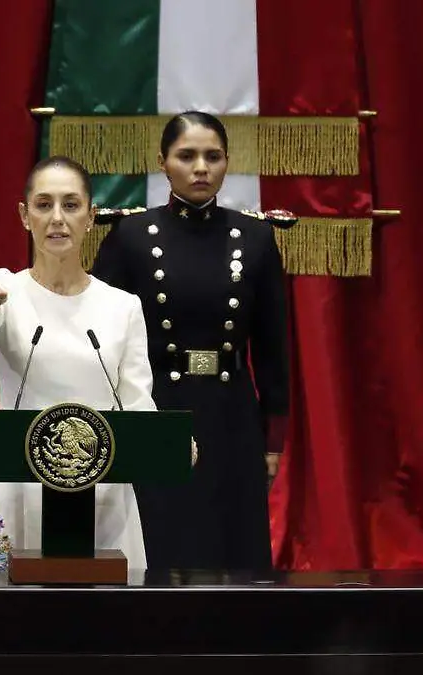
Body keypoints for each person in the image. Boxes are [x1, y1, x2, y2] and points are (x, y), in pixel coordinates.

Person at [91, 111, 291, 571]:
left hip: (231, 412)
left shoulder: (256, 238)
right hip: (156, 409)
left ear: (227, 162)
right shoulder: (131, 237)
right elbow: (102, 341)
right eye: (187, 156)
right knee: (162, 546)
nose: (201, 167)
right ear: (163, 162)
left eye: (213, 156)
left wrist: (273, 441)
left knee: (234, 554)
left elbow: (272, 349)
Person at [0, 156, 156, 574]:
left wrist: (167, 442)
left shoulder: (123, 307)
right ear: (24, 216)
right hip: (13, 486)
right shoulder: (5, 288)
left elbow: (137, 403)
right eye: (44, 205)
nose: (57, 218)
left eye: (71, 205)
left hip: (100, 492)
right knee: (2, 613)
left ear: (91, 217)